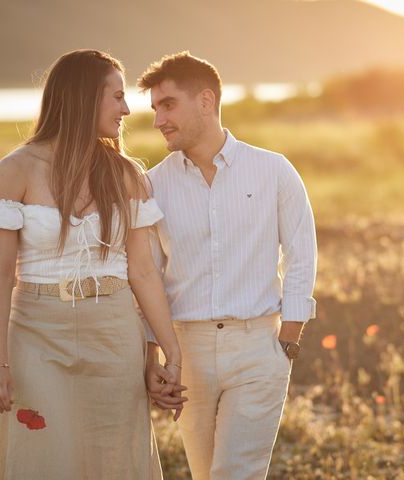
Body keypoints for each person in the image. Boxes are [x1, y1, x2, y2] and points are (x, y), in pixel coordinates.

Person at [0, 49, 185, 480]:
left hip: (114, 332)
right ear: (84, 96)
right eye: (117, 96)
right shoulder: (16, 169)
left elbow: (142, 272)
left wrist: (170, 352)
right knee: (42, 458)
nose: (126, 109)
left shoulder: (125, 174)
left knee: (115, 455)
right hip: (36, 334)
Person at [138, 52, 317, 480]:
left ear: (205, 100)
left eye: (168, 104)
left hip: (257, 348)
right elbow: (148, 277)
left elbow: (302, 255)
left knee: (235, 473)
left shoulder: (274, 171)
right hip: (187, 354)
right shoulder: (153, 184)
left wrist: (287, 343)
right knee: (206, 474)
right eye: (154, 109)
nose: (159, 119)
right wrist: (153, 356)